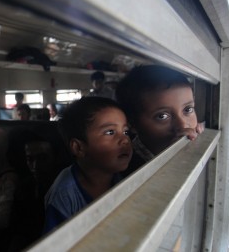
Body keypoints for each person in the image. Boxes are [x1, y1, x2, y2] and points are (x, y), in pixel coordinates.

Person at [43, 97, 132, 234]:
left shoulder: (127, 177)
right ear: (79, 148)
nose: (125, 139)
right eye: (110, 132)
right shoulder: (64, 195)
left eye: (125, 131)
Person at [115, 65, 204, 176]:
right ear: (132, 124)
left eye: (188, 109)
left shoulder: (196, 144)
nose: (182, 125)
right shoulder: (128, 170)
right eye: (162, 116)